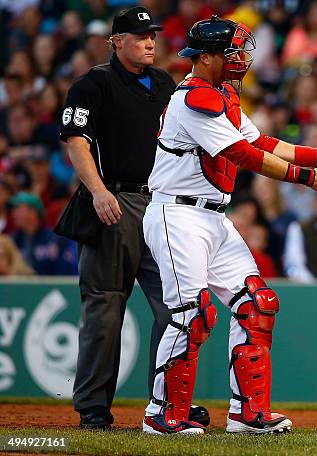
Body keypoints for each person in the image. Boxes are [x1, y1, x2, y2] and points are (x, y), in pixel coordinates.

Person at [142, 16, 317, 435]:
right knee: (192, 315)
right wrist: (310, 178)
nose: (241, 58)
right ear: (206, 57)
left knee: (257, 305)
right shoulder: (193, 99)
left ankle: (246, 413)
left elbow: (266, 143)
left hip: (212, 215)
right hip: (176, 214)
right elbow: (243, 156)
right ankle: (161, 414)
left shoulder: (222, 96)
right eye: (232, 51)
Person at [58, 7, 209, 430]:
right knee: (105, 309)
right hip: (114, 202)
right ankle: (92, 408)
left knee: (176, 308)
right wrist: (99, 190)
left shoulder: (164, 82)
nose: (149, 42)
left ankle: (166, 403)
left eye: (152, 35)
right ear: (116, 40)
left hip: (162, 207)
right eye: (140, 35)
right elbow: (76, 142)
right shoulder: (94, 83)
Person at [9, 192, 77, 275]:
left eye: (18, 208)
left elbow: (66, 271)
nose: (14, 213)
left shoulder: (55, 239)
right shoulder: (13, 240)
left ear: (33, 212)